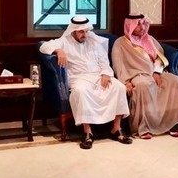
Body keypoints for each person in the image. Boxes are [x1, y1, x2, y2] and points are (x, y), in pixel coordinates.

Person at [40, 16, 131, 150]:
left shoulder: (93, 41)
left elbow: (104, 61)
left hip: (98, 76)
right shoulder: (64, 42)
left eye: (86, 31)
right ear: (73, 31)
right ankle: (87, 132)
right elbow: (43, 46)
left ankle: (116, 129)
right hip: (78, 78)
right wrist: (58, 51)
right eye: (81, 32)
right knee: (81, 91)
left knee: (119, 87)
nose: (85, 35)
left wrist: (106, 73)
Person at [111, 14, 178, 138]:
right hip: (136, 75)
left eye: (143, 23)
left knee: (176, 81)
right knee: (144, 85)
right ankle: (144, 127)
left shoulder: (149, 39)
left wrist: (156, 72)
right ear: (129, 26)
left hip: (155, 72)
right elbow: (118, 65)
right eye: (138, 24)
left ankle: (173, 123)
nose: (142, 27)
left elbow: (160, 58)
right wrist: (125, 82)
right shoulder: (120, 43)